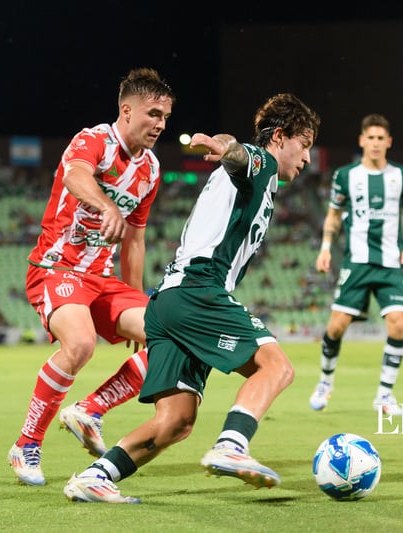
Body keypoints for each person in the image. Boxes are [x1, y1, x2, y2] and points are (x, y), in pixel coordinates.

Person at [62, 92, 321, 503]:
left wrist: (227, 146)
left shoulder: (260, 179)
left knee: (176, 420)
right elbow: (240, 155)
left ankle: (96, 476)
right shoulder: (262, 161)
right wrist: (226, 147)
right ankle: (232, 446)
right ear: (282, 136)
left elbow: (235, 155)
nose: (307, 158)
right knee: (276, 367)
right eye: (304, 145)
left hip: (168, 301)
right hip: (200, 289)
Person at [7, 67, 175, 486]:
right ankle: (26, 444)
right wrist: (106, 206)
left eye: (166, 117)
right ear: (126, 109)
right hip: (56, 267)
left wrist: (139, 304)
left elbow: (135, 241)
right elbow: (75, 175)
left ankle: (90, 410)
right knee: (81, 343)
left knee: (170, 337)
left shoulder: (151, 169)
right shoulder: (94, 140)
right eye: (153, 114)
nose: (160, 124)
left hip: (103, 280)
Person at [308, 113, 403, 416]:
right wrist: (326, 248)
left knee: (398, 325)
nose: (375, 143)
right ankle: (325, 382)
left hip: (390, 264)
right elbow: (333, 215)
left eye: (381, 138)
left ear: (389, 142)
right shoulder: (345, 176)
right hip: (356, 262)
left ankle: (384, 395)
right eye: (370, 138)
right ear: (362, 141)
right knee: (335, 327)